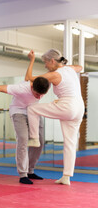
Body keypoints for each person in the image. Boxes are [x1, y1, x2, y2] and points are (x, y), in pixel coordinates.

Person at [25, 49, 84, 185]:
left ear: (52, 61)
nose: (45, 66)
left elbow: (29, 78)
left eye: (46, 62)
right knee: (70, 143)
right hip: (79, 107)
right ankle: (66, 177)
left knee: (32, 109)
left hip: (67, 106)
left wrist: (32, 59)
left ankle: (34, 138)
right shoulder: (70, 69)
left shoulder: (54, 75)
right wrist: (69, 67)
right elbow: (80, 67)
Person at [0, 70, 50, 184]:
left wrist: (32, 59)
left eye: (41, 95)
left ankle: (30, 170)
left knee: (40, 141)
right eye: (36, 94)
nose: (38, 97)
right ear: (32, 87)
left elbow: (29, 74)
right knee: (23, 139)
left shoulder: (43, 85)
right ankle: (23, 174)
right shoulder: (21, 88)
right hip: (19, 112)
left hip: (33, 112)